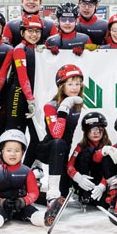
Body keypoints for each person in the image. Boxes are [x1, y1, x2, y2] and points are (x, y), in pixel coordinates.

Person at [29, 64, 84, 225]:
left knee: (64, 194)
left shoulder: (79, 105)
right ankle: (52, 192)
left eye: (78, 83)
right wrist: (65, 107)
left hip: (62, 154)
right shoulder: (51, 106)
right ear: (61, 86)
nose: (75, 88)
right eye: (70, 84)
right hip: (47, 149)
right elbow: (56, 134)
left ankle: (42, 195)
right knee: (59, 143)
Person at [0, 129, 43, 228]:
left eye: (17, 151)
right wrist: (2, 202)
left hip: (21, 206)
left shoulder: (27, 172)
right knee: (0, 212)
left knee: (31, 211)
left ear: (22, 152)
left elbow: (34, 192)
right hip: (2, 206)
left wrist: (23, 201)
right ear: (1, 152)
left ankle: (43, 218)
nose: (13, 154)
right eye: (9, 150)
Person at [4, 15, 39, 152]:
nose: (34, 34)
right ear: (22, 32)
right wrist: (30, 99)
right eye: (30, 31)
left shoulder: (40, 49)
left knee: (36, 137)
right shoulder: (19, 49)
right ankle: (8, 168)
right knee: (15, 136)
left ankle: (27, 166)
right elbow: (23, 77)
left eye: (37, 31)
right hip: (18, 96)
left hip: (32, 96)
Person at [66, 111, 111, 206]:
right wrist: (78, 177)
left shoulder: (108, 147)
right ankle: (79, 193)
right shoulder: (80, 146)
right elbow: (70, 165)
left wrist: (102, 185)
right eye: (92, 130)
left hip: (101, 183)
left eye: (99, 130)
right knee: (85, 153)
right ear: (86, 132)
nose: (96, 133)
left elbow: (111, 170)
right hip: (84, 181)